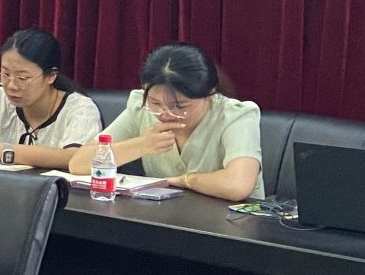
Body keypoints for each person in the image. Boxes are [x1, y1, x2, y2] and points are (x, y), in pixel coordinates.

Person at [70, 42, 263, 201]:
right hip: (166, 220)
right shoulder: (140, 107)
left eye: (180, 106)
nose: (165, 114)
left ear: (209, 93)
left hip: (232, 223)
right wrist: (142, 145)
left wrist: (185, 181)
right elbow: (78, 164)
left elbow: (237, 185)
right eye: (155, 103)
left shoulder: (236, 116)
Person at [0, 29, 102, 169]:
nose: (11, 86)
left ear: (51, 76)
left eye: (23, 78)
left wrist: (5, 151)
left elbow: (75, 157)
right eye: (5, 74)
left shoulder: (80, 109)